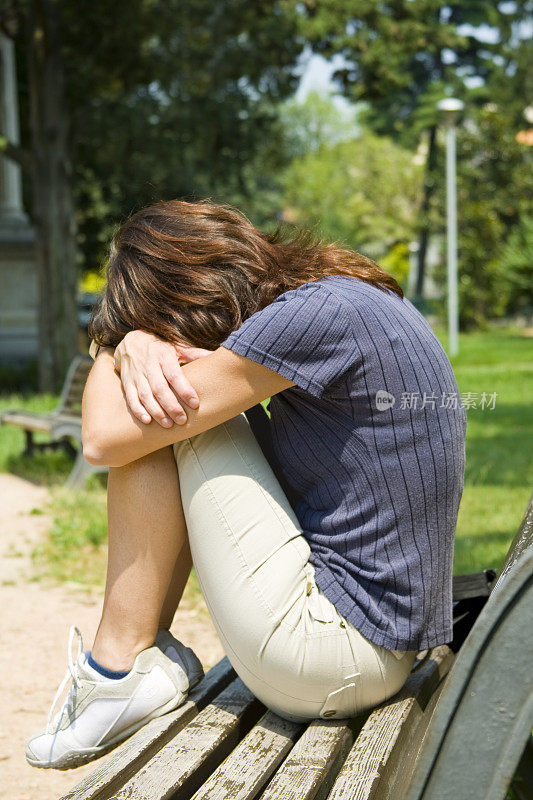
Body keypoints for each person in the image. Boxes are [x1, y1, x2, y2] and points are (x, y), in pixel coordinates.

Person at [26, 199, 466, 770]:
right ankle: (132, 666)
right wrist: (135, 340)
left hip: (331, 656)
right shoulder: (339, 298)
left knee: (164, 418)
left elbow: (102, 439)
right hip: (378, 647)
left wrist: (117, 343)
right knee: (176, 409)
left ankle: (114, 672)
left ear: (186, 298)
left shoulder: (311, 319)